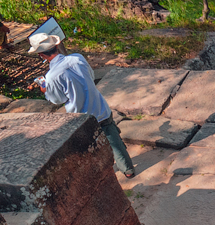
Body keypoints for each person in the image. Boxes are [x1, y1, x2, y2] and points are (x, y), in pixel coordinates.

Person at [27, 33, 136, 177]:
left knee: (90, 146)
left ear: (41, 55)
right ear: (57, 46)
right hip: (99, 107)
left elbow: (57, 99)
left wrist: (45, 90)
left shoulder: (51, 77)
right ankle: (127, 169)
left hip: (81, 116)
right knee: (113, 138)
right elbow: (90, 76)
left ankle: (102, 174)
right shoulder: (77, 58)